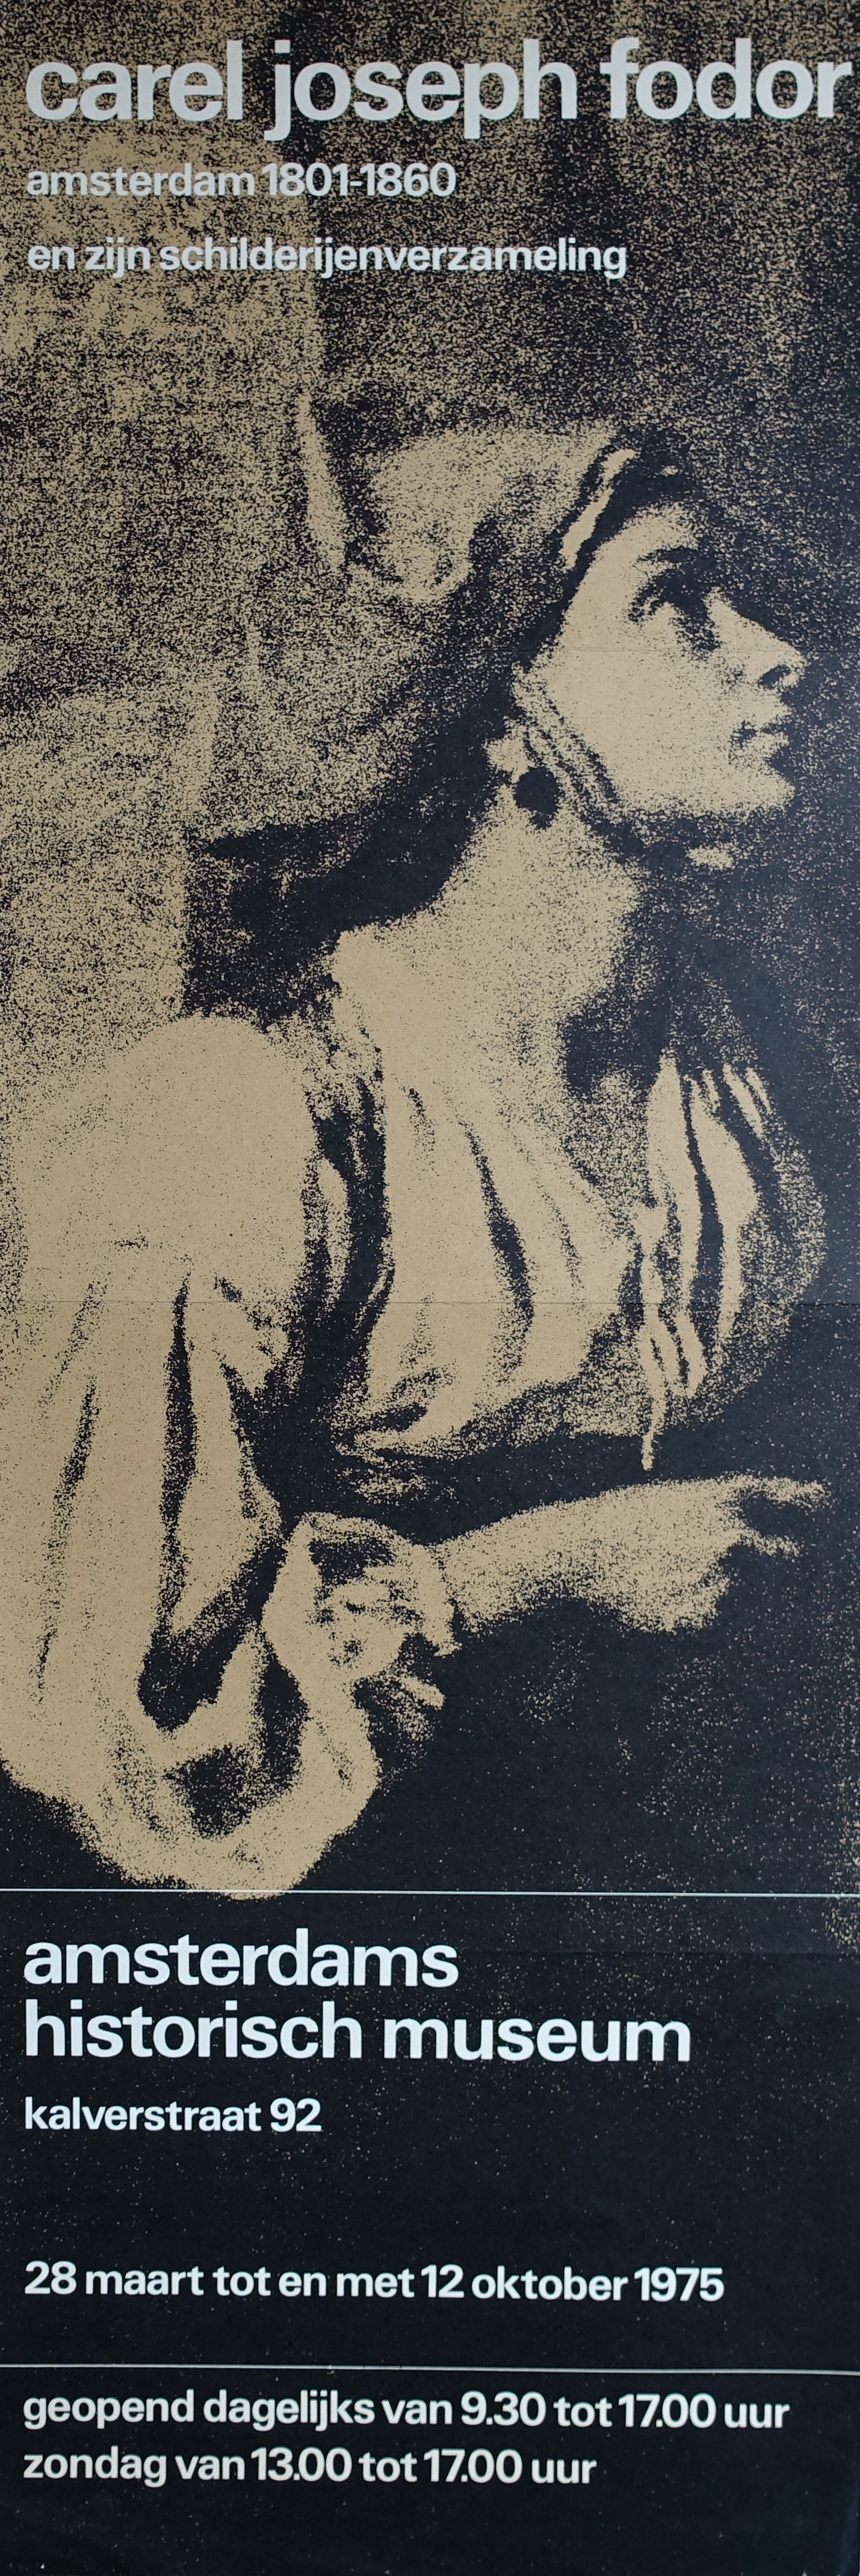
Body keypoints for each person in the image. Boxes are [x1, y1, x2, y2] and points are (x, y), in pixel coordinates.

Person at [0, 419, 827, 1889]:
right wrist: (536, 1570)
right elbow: (107, 1711)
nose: (780, 656)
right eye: (674, 602)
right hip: (342, 1915)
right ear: (504, 714)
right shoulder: (242, 1120)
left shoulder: (753, 1064)